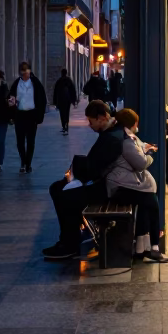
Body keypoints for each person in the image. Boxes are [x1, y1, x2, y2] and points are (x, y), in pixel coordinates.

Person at [44, 100, 126, 262]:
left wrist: (78, 172)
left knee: (67, 196)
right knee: (57, 188)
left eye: (91, 121)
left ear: (102, 117)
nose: (90, 125)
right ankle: (67, 238)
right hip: (102, 181)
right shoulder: (110, 132)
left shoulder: (112, 137)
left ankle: (70, 243)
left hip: (107, 188)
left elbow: (96, 169)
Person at [107, 108, 168, 263]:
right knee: (152, 203)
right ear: (134, 123)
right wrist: (149, 154)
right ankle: (153, 248)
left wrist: (144, 149)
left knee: (148, 204)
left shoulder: (125, 137)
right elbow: (140, 163)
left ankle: (144, 248)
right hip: (121, 187)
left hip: (124, 184)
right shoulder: (127, 141)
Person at [8, 61, 47, 173]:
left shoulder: (35, 83)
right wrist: (11, 114)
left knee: (30, 141)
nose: (26, 74)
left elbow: (42, 99)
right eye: (24, 72)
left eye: (27, 72)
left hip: (31, 115)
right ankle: (23, 161)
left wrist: (39, 115)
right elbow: (11, 99)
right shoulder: (16, 84)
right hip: (20, 115)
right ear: (21, 73)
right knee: (20, 141)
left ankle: (28, 163)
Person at [53, 69, 77, 135]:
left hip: (61, 100)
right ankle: (66, 124)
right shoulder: (69, 81)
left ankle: (64, 125)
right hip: (67, 100)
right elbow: (73, 91)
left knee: (62, 113)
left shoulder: (59, 81)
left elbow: (55, 92)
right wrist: (74, 100)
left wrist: (55, 102)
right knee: (67, 112)